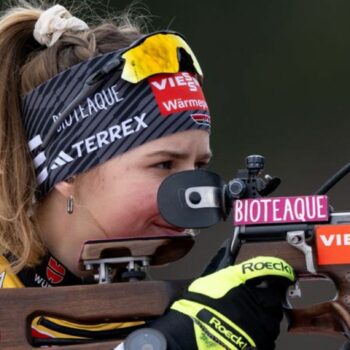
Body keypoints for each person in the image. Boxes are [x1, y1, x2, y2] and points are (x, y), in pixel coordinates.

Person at [0, 1, 295, 349]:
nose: (193, 193)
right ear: (69, 168)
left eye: (199, 166)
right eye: (164, 165)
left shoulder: (132, 303)